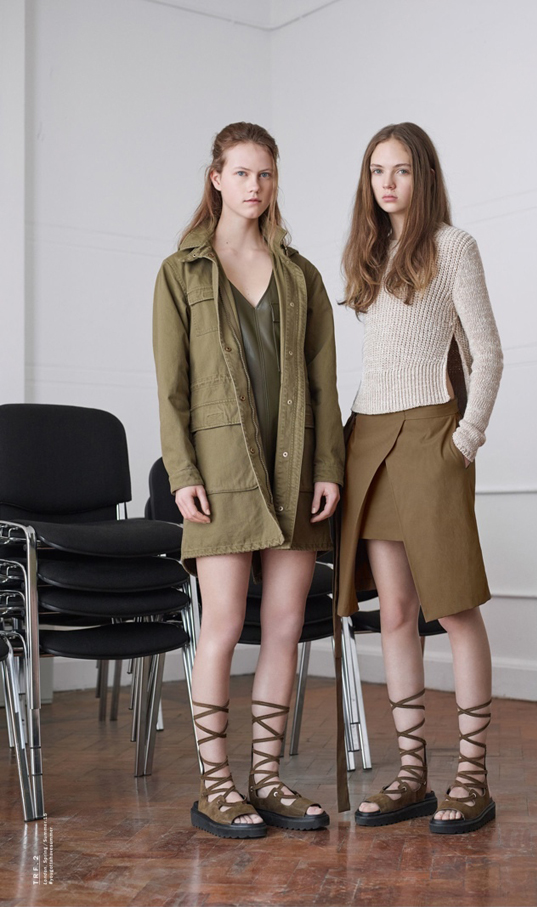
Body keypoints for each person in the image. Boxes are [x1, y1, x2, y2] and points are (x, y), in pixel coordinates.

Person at [152, 122, 345, 838]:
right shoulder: (182, 273)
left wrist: (328, 466)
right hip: (222, 473)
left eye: (265, 174)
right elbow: (171, 389)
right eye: (241, 172)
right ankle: (217, 786)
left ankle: (266, 779)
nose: (255, 186)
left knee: (285, 627)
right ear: (216, 178)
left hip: (294, 468)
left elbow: (324, 384)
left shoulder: (301, 275)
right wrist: (182, 474)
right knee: (225, 624)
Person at [336, 122, 503, 834]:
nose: (387, 182)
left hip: (433, 431)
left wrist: (464, 441)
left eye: (401, 169)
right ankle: (412, 775)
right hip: (369, 436)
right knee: (397, 611)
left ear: (423, 176)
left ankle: (472, 776)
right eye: (377, 170)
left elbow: (487, 352)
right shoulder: (369, 252)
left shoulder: (453, 246)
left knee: (454, 606)